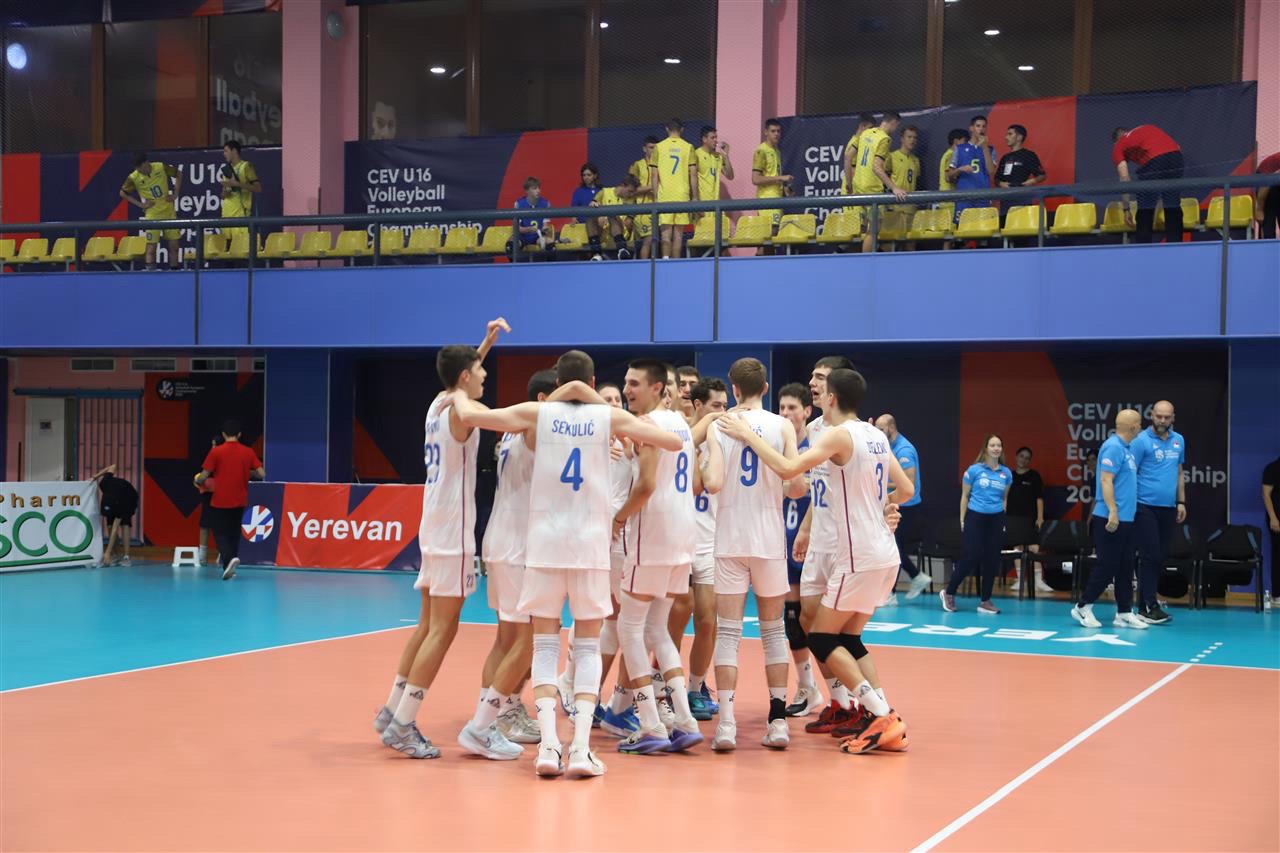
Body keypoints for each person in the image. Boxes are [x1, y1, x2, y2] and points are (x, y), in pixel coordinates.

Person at [449, 349, 684, 779]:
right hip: (589, 547)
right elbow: (673, 442)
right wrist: (599, 406)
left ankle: (547, 748)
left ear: (556, 383)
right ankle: (579, 749)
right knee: (588, 647)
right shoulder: (608, 417)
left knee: (543, 646)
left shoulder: (536, 413)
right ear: (593, 384)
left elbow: (471, 415)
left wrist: (455, 392)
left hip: (544, 545)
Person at [716, 368, 914, 755]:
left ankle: (881, 716)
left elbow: (789, 471)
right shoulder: (875, 434)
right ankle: (876, 713)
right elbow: (905, 489)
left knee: (822, 638)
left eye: (822, 388)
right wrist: (882, 507)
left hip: (857, 553)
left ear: (833, 398)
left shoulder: (838, 434)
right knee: (848, 638)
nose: (815, 391)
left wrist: (747, 435)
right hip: (883, 551)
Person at [372, 318, 509, 761]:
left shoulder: (437, 402)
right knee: (443, 630)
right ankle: (404, 723)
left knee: (427, 626)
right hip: (452, 531)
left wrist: (485, 344)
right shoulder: (460, 410)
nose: (486, 375)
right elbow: (469, 411)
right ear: (465, 378)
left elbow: (461, 381)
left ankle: (392, 710)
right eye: (481, 370)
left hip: (432, 523)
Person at [702, 358, 808, 752]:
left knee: (728, 631)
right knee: (774, 631)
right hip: (768, 538)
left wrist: (704, 462)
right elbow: (796, 487)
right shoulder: (782, 426)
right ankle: (778, 721)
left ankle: (726, 725)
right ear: (765, 388)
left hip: (730, 536)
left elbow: (713, 483)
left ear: (733, 389)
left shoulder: (719, 425)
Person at [608, 359, 704, 754]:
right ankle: (684, 719)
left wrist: (618, 518)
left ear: (657, 388)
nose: (627, 390)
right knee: (657, 630)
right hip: (683, 535)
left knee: (630, 629)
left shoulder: (649, 425)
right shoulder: (679, 423)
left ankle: (650, 724)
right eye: (626, 382)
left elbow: (646, 485)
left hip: (653, 536)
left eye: (635, 383)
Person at [463, 369, 560, 752]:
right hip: (519, 546)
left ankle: (500, 710)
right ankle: (491, 719)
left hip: (502, 540)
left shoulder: (513, 433)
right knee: (527, 640)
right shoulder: (535, 423)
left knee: (506, 639)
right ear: (543, 400)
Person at [1071, 409, 1149, 630]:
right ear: (1133, 427)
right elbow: (1106, 480)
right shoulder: (1113, 447)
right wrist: (1113, 511)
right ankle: (1083, 606)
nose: (1141, 427)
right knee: (1107, 565)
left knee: (1125, 566)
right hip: (1110, 518)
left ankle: (1124, 612)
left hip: (1127, 519)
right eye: (1139, 423)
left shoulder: (1127, 449)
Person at [777, 383, 822, 717]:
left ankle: (842, 693)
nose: (786, 413)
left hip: (815, 543)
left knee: (818, 621)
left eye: (792, 408)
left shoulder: (817, 446)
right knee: (792, 620)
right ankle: (807, 687)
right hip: (784, 541)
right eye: (781, 408)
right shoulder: (776, 445)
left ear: (807, 411)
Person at [685, 377, 728, 720]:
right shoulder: (680, 435)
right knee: (665, 624)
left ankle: (694, 687)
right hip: (679, 541)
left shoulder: (724, 441)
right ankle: (660, 687)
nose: (723, 412)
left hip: (711, 543)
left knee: (707, 622)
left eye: (726, 406)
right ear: (698, 406)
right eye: (716, 406)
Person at [1130, 400, 1185, 625]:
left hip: (1168, 507)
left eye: (1167, 417)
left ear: (1173, 418)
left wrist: (1181, 501)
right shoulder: (1140, 441)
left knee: (1159, 557)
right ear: (1151, 415)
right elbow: (1130, 473)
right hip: (1144, 506)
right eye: (1159, 416)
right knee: (1150, 555)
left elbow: (1179, 472)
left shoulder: (1178, 440)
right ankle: (1150, 606)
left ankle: (1143, 606)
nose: (1162, 421)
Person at [941, 434, 1010, 615]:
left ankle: (985, 601)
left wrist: (1002, 519)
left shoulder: (1006, 473)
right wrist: (962, 519)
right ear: (986, 448)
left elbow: (1004, 499)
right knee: (972, 556)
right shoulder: (973, 470)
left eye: (999, 445)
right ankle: (949, 592)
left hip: (996, 519)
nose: (996, 448)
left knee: (992, 559)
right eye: (992, 445)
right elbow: (965, 496)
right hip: (975, 517)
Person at [193, 419, 265, 581]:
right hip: (240, 500)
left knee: (220, 532)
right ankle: (230, 566)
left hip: (220, 500)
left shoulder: (216, 452)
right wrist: (247, 472)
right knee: (234, 532)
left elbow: (204, 474)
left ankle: (228, 559)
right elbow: (262, 473)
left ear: (224, 434)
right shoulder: (248, 451)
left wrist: (198, 480)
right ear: (239, 434)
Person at [874, 414, 931, 601]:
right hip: (894, 504)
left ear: (891, 428)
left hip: (906, 506)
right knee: (893, 547)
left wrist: (879, 482)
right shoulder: (887, 446)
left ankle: (890, 593)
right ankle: (916, 577)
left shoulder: (904, 450)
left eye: (881, 429)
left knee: (894, 548)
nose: (878, 433)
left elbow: (908, 483)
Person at [1112, 124, 1185, 244]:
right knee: (1172, 203)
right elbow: (1177, 147)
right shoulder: (1143, 130)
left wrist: (1126, 209)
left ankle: (1143, 247)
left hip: (1155, 160)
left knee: (1145, 207)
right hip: (1176, 157)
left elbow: (1124, 178)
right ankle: (1175, 245)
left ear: (1115, 142)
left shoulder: (1119, 145)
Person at [852, 112, 909, 253]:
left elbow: (849, 155)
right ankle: (867, 263)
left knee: (864, 228)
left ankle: (863, 258)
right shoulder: (884, 139)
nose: (896, 129)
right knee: (873, 230)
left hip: (858, 185)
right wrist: (894, 188)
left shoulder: (866, 133)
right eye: (897, 126)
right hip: (871, 189)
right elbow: (876, 167)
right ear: (894, 123)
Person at [120, 152, 183, 270]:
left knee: (174, 246)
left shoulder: (160, 167)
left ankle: (175, 272)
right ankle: (151, 274)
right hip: (152, 214)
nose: (139, 170)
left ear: (146, 163)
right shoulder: (134, 177)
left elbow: (178, 173)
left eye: (140, 167)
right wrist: (141, 205)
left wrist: (175, 194)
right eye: (137, 168)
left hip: (168, 211)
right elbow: (123, 193)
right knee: (151, 248)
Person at [1007, 446, 1054, 594]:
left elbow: (1039, 498)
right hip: (1013, 519)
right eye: (1022, 456)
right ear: (1016, 456)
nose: (1024, 460)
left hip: (1030, 518)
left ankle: (1039, 580)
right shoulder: (1009, 476)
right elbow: (1004, 498)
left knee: (1034, 547)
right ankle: (1021, 579)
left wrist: (1040, 517)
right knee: (1017, 548)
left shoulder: (1034, 476)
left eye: (1027, 458)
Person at [652, 118, 697, 259]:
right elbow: (693, 174)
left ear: (667, 129)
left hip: (665, 196)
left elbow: (654, 175)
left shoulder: (658, 147)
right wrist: (695, 197)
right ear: (682, 129)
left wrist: (655, 197)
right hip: (682, 195)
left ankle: (665, 260)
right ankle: (676, 264)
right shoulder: (688, 147)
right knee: (678, 236)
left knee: (665, 235)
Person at [947, 116, 996, 228]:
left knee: (983, 229)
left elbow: (990, 171)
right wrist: (960, 169)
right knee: (962, 229)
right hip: (964, 196)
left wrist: (984, 148)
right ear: (971, 128)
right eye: (978, 126)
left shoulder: (990, 149)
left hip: (983, 196)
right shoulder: (960, 148)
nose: (981, 129)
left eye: (984, 126)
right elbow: (949, 175)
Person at [995, 124, 1045, 227]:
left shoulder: (1029, 155)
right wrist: (1001, 183)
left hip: (1022, 198)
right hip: (1006, 200)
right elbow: (996, 178)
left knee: (1022, 228)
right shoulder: (1005, 157)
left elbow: (1042, 175)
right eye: (1007, 134)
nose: (1006, 137)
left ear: (1019, 137)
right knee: (1005, 228)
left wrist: (1030, 182)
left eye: (1010, 134)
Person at [752, 118, 793, 240]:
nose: (776, 134)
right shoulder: (761, 151)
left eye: (778, 131)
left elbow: (773, 174)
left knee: (773, 236)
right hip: (766, 199)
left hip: (777, 198)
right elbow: (755, 179)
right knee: (769, 234)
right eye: (773, 131)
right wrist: (781, 178)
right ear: (766, 132)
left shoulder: (776, 151)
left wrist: (785, 188)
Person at [92, 464, 137, 567]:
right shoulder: (103, 483)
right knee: (109, 526)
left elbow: (115, 529)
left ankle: (126, 556)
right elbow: (113, 466)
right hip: (114, 499)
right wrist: (95, 476)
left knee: (124, 525)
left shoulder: (119, 504)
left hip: (128, 498)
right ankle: (116, 554)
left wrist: (106, 552)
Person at [219, 140, 261, 246]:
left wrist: (238, 184)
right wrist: (225, 191)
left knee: (240, 250)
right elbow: (223, 196)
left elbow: (258, 188)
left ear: (234, 151)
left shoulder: (246, 166)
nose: (224, 154)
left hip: (241, 216)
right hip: (226, 216)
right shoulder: (226, 170)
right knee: (227, 252)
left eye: (226, 151)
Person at [589, 173, 638, 260]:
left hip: (621, 233)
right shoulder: (604, 192)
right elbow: (592, 203)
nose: (631, 194)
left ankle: (622, 249)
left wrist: (608, 216)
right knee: (591, 217)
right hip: (603, 234)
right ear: (622, 185)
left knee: (612, 214)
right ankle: (596, 254)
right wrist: (597, 212)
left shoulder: (631, 200)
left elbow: (628, 223)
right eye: (630, 191)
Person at [694, 126, 734, 227]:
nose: (716, 140)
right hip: (702, 204)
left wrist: (726, 156)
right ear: (704, 139)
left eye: (716, 137)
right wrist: (696, 203)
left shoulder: (718, 156)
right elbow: (691, 179)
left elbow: (730, 176)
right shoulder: (696, 155)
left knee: (720, 234)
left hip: (717, 204)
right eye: (712, 137)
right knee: (704, 235)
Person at [510, 177, 555, 259]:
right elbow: (516, 228)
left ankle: (550, 266)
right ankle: (514, 266)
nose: (538, 191)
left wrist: (545, 229)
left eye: (539, 188)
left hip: (538, 236)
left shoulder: (545, 204)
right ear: (527, 191)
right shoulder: (519, 204)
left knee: (550, 243)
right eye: (534, 188)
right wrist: (529, 229)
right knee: (511, 244)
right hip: (522, 236)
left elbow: (545, 225)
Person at [629, 137, 659, 259]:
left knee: (657, 241)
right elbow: (630, 190)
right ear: (644, 149)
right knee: (648, 240)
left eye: (655, 148)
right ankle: (645, 266)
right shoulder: (637, 165)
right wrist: (651, 187)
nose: (653, 150)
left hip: (658, 208)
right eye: (651, 147)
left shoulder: (661, 165)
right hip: (643, 210)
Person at [197, 435, 222, 566]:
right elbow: (201, 477)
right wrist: (198, 481)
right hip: (208, 496)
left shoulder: (226, 460)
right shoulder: (209, 458)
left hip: (222, 496)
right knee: (204, 525)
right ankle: (202, 556)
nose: (213, 447)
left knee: (221, 527)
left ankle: (223, 554)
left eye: (215, 445)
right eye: (212, 445)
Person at [889, 125, 922, 225]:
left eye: (915, 138)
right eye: (909, 137)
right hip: (895, 207)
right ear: (902, 139)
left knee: (910, 234)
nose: (912, 140)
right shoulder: (892, 157)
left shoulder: (916, 160)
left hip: (911, 207)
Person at [841, 113, 878, 202]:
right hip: (852, 192)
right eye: (870, 128)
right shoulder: (855, 142)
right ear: (862, 126)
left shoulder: (862, 142)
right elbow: (849, 163)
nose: (871, 132)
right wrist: (850, 186)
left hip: (858, 190)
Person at [571, 163, 605, 257]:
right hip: (582, 224)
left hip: (601, 223)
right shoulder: (578, 191)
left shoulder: (602, 190)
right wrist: (574, 218)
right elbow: (574, 208)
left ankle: (595, 252)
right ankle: (596, 253)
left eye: (589, 175)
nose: (586, 177)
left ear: (595, 176)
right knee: (590, 219)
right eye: (584, 175)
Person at [937, 128, 969, 226]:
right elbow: (948, 178)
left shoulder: (949, 154)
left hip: (948, 201)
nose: (966, 145)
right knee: (950, 231)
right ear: (956, 141)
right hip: (950, 203)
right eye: (964, 141)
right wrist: (961, 170)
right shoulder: (951, 154)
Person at [1263, 455, 1280, 608]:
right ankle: (1277, 595)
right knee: (1278, 557)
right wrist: (1273, 518)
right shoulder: (1272, 468)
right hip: (1277, 520)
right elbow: (1266, 495)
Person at [1253, 151, 1279, 239]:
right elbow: (1265, 187)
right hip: (1265, 182)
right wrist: (1259, 210)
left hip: (1275, 182)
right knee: (1267, 220)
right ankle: (1266, 244)